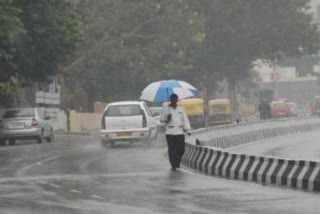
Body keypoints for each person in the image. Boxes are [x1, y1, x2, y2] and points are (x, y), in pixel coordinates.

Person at [160, 93, 191, 171]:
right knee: (171, 150)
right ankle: (173, 164)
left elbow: (185, 120)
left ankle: (177, 161)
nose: (174, 101)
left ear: (177, 100)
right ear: (170, 100)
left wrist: (187, 129)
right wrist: (167, 119)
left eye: (176, 99)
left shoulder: (181, 109)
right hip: (170, 132)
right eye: (173, 99)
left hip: (179, 132)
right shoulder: (165, 109)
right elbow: (161, 120)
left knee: (181, 149)